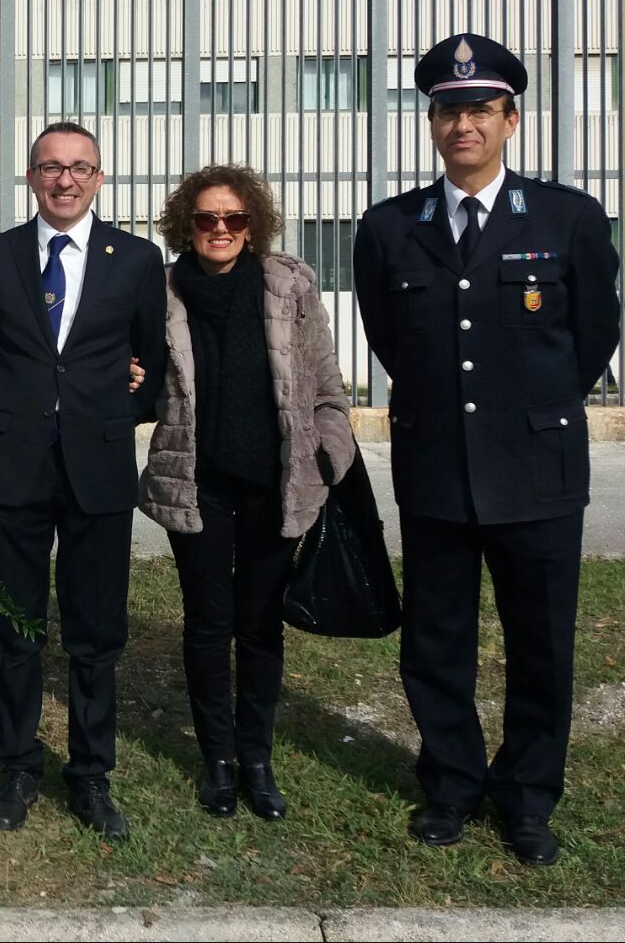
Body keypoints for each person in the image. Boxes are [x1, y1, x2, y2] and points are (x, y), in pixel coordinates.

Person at [354, 33, 620, 867]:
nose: (461, 122)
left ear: (510, 118)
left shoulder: (565, 216)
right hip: (437, 468)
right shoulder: (391, 225)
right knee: (437, 640)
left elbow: (592, 338)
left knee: (541, 641)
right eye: (446, 108)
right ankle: (453, 784)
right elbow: (393, 337)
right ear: (431, 121)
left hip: (537, 468)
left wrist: (525, 411)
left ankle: (530, 796)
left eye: (478, 108)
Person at [0, 121, 167, 840]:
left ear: (99, 178)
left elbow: (155, 365)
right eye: (51, 167)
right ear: (31, 177)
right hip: (16, 462)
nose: (65, 179)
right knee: (16, 625)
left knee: (94, 630)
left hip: (99, 467)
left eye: (80, 167)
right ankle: (17, 764)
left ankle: (90, 773)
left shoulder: (138, 260)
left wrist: (122, 404)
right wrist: (27, 409)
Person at [138, 164, 355, 821]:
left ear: (253, 222)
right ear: (188, 223)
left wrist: (330, 447)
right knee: (208, 625)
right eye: (208, 218)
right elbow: (136, 369)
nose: (221, 229)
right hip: (196, 486)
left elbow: (322, 377)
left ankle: (256, 757)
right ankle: (218, 761)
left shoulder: (289, 284)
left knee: (259, 626)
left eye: (234, 218)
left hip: (275, 482)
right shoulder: (162, 289)